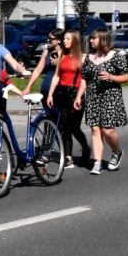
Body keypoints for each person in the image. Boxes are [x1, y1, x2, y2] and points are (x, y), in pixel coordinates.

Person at [74, 28, 128, 175]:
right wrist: (79, 96)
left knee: (107, 130)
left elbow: (126, 77)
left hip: (110, 95)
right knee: (95, 129)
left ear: (103, 39)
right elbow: (85, 78)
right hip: (93, 96)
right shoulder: (89, 57)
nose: (91, 40)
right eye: (91, 38)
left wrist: (112, 77)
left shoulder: (116, 56)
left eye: (94, 38)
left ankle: (116, 152)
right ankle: (97, 162)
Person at [46, 29, 89, 168]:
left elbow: (86, 79)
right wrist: (50, 94)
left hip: (76, 94)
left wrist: (79, 95)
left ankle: (85, 147)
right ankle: (68, 157)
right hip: (62, 93)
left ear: (75, 40)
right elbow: (57, 76)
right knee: (64, 126)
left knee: (75, 127)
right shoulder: (62, 56)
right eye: (64, 39)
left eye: (68, 39)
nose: (64, 41)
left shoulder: (83, 58)